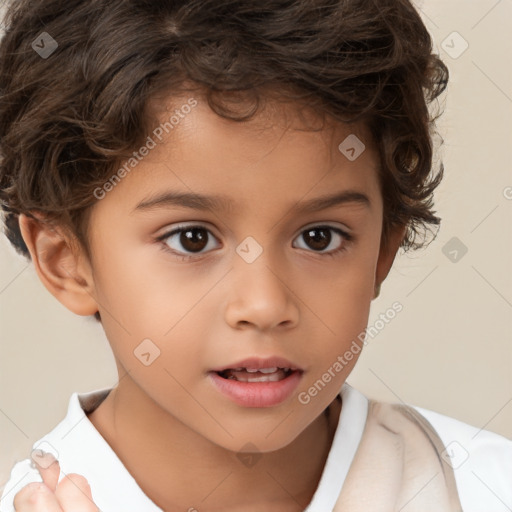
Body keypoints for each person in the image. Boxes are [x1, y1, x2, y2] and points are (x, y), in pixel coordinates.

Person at [0, 0, 510, 511]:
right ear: (65, 261)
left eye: (319, 238)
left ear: (383, 251)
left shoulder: (485, 486)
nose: (265, 305)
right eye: (192, 239)